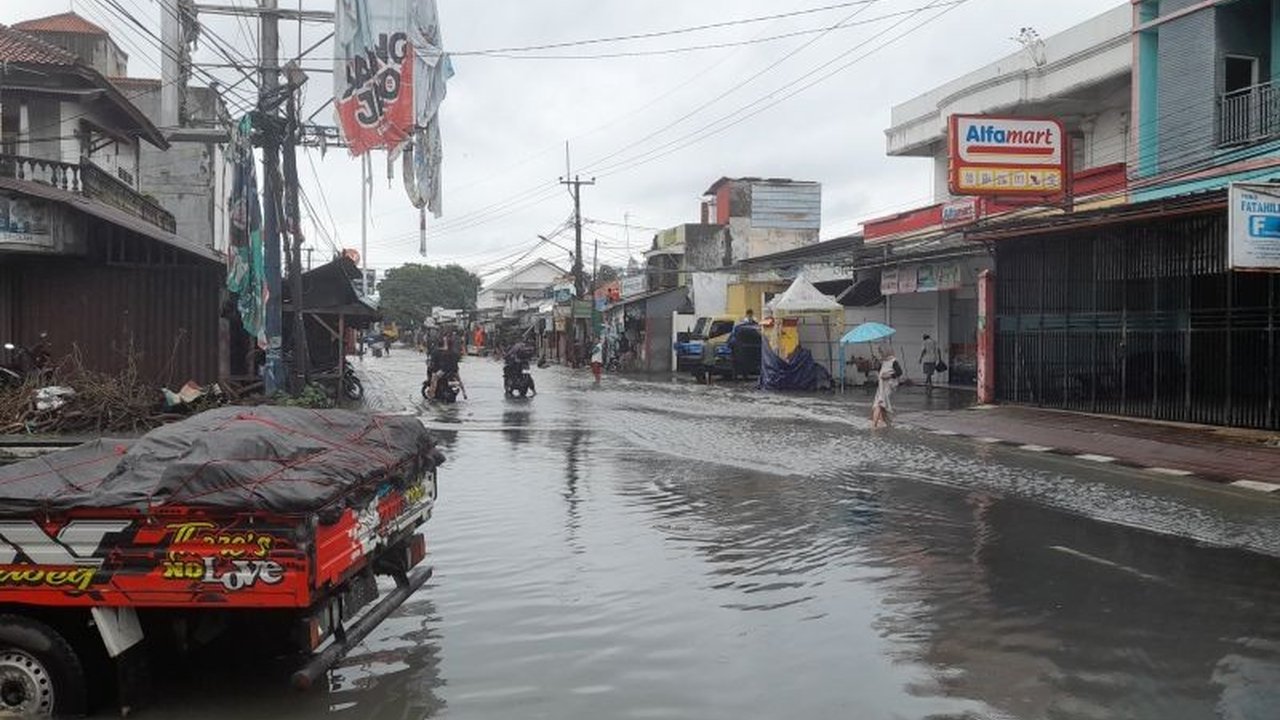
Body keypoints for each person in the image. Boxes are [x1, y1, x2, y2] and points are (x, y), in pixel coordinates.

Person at [872, 345, 901, 429]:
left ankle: (874, 426)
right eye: (879, 352)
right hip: (881, 387)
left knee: (879, 404)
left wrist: (889, 375)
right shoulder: (884, 361)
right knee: (883, 405)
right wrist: (876, 363)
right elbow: (880, 370)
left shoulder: (893, 361)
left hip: (887, 386)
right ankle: (888, 424)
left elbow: (899, 372)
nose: (880, 354)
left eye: (881, 352)